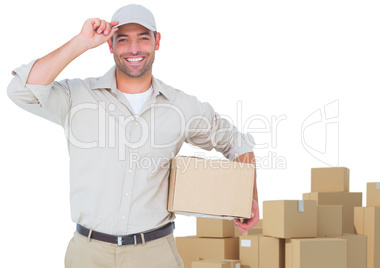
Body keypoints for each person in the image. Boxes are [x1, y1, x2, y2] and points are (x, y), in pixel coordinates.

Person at [7, 4, 259, 268]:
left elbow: (237, 142)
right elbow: (20, 90)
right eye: (123, 39)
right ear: (110, 45)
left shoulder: (181, 106)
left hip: (155, 254)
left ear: (157, 41)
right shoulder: (76, 97)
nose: (134, 48)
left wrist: (248, 198)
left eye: (143, 38)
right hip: (88, 255)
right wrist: (81, 42)